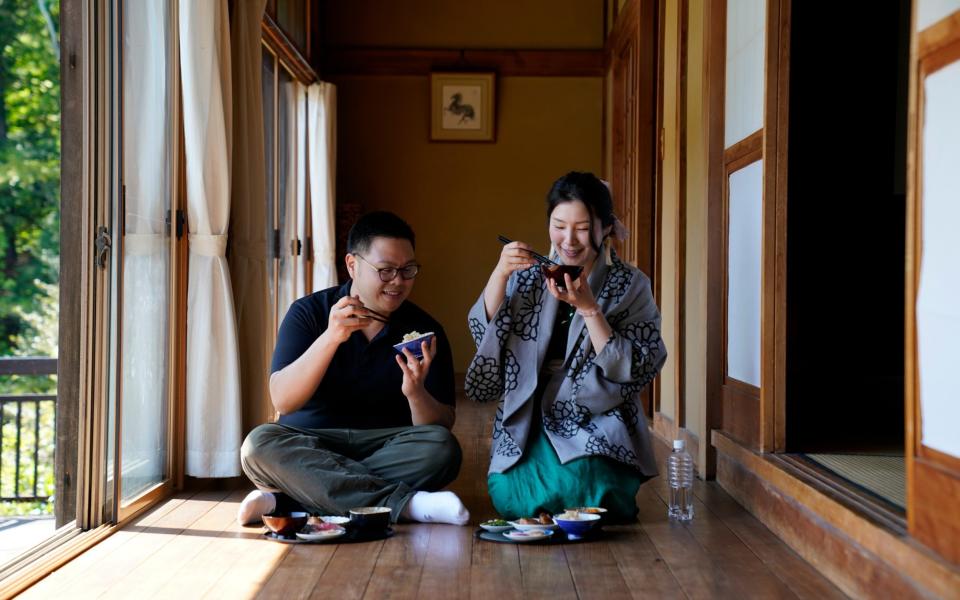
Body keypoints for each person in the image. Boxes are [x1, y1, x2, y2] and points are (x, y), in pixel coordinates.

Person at [238, 211, 469, 526]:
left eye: (408, 270)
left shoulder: (425, 329)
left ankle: (288, 498)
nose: (398, 282)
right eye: (385, 270)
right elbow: (283, 401)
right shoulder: (309, 313)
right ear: (352, 265)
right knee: (258, 444)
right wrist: (331, 338)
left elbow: (440, 426)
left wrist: (415, 393)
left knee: (443, 450)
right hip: (310, 441)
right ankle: (408, 505)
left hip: (386, 445)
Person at [466, 171, 667, 522]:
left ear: (606, 228)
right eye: (559, 226)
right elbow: (486, 335)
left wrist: (590, 309)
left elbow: (636, 365)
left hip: (596, 410)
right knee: (512, 493)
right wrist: (499, 274)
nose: (569, 240)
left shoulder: (631, 284)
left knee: (590, 483)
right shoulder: (527, 276)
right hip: (528, 406)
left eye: (583, 228)